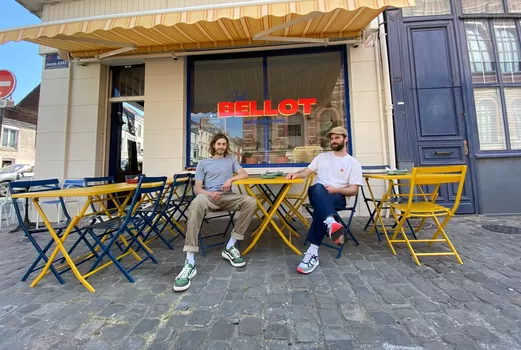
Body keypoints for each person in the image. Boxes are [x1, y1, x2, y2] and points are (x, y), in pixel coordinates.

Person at [173, 133, 257, 292]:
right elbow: (197, 189)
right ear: (213, 145)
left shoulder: (231, 160)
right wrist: (210, 194)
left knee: (251, 201)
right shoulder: (203, 163)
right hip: (209, 197)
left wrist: (230, 180)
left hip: (227, 197)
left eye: (224, 144)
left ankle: (230, 246)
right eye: (219, 144)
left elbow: (244, 174)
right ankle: (190, 261)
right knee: (195, 203)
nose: (221, 147)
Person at [286, 126, 363, 274]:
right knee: (317, 188)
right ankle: (331, 223)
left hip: (337, 197)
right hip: (317, 193)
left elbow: (353, 190)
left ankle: (314, 250)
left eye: (337, 138)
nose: (333, 141)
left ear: (346, 139)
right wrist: (295, 174)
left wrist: (336, 190)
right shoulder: (322, 157)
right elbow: (307, 171)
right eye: (332, 138)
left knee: (321, 209)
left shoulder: (353, 163)